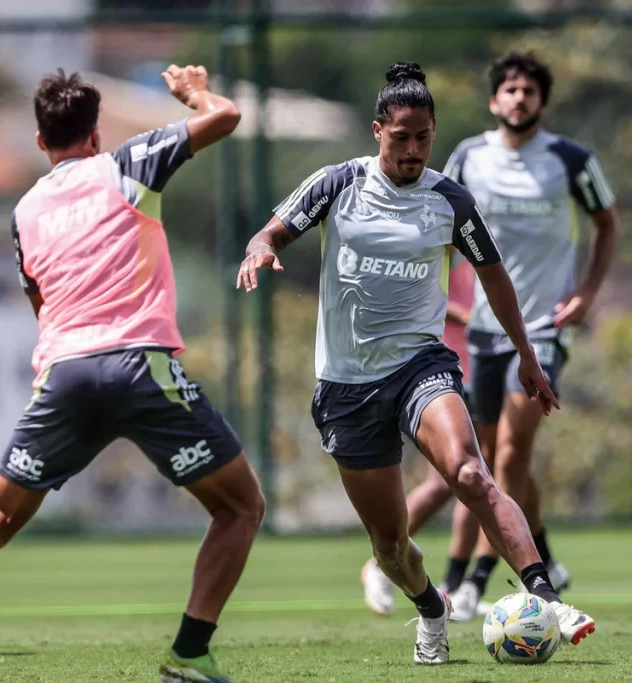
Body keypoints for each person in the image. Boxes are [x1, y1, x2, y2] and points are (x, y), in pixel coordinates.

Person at [237, 61, 596, 665]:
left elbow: (494, 277)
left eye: (423, 138)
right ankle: (432, 609)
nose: (411, 150)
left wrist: (528, 356)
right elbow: (270, 233)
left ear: (433, 134)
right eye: (400, 138)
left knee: (470, 474)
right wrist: (260, 250)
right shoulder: (337, 184)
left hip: (420, 365)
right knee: (390, 544)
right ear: (378, 130)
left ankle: (544, 595)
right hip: (347, 385)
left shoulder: (449, 199)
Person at [0, 66, 264, 683]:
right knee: (240, 507)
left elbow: (42, 306)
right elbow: (226, 116)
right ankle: (189, 655)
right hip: (139, 366)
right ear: (95, 133)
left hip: (63, 373)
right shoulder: (126, 163)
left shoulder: (25, 211)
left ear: (39, 142)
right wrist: (193, 95)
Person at [362, 50, 618, 622]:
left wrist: (589, 293)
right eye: (509, 90)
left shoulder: (572, 161)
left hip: (542, 329)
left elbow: (607, 224)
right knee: (479, 462)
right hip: (480, 330)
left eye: (529, 91)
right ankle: (527, 563)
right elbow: (437, 231)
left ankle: (476, 580)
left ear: (542, 102)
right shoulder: (467, 158)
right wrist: (438, 303)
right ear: (492, 100)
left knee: (509, 452)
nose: (519, 99)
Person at [359, 251, 477, 617]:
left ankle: (459, 584)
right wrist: (476, 318)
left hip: (476, 368)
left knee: (477, 477)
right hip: (439, 369)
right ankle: (382, 560)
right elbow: (424, 298)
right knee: (449, 481)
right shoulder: (436, 238)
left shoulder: (475, 247)